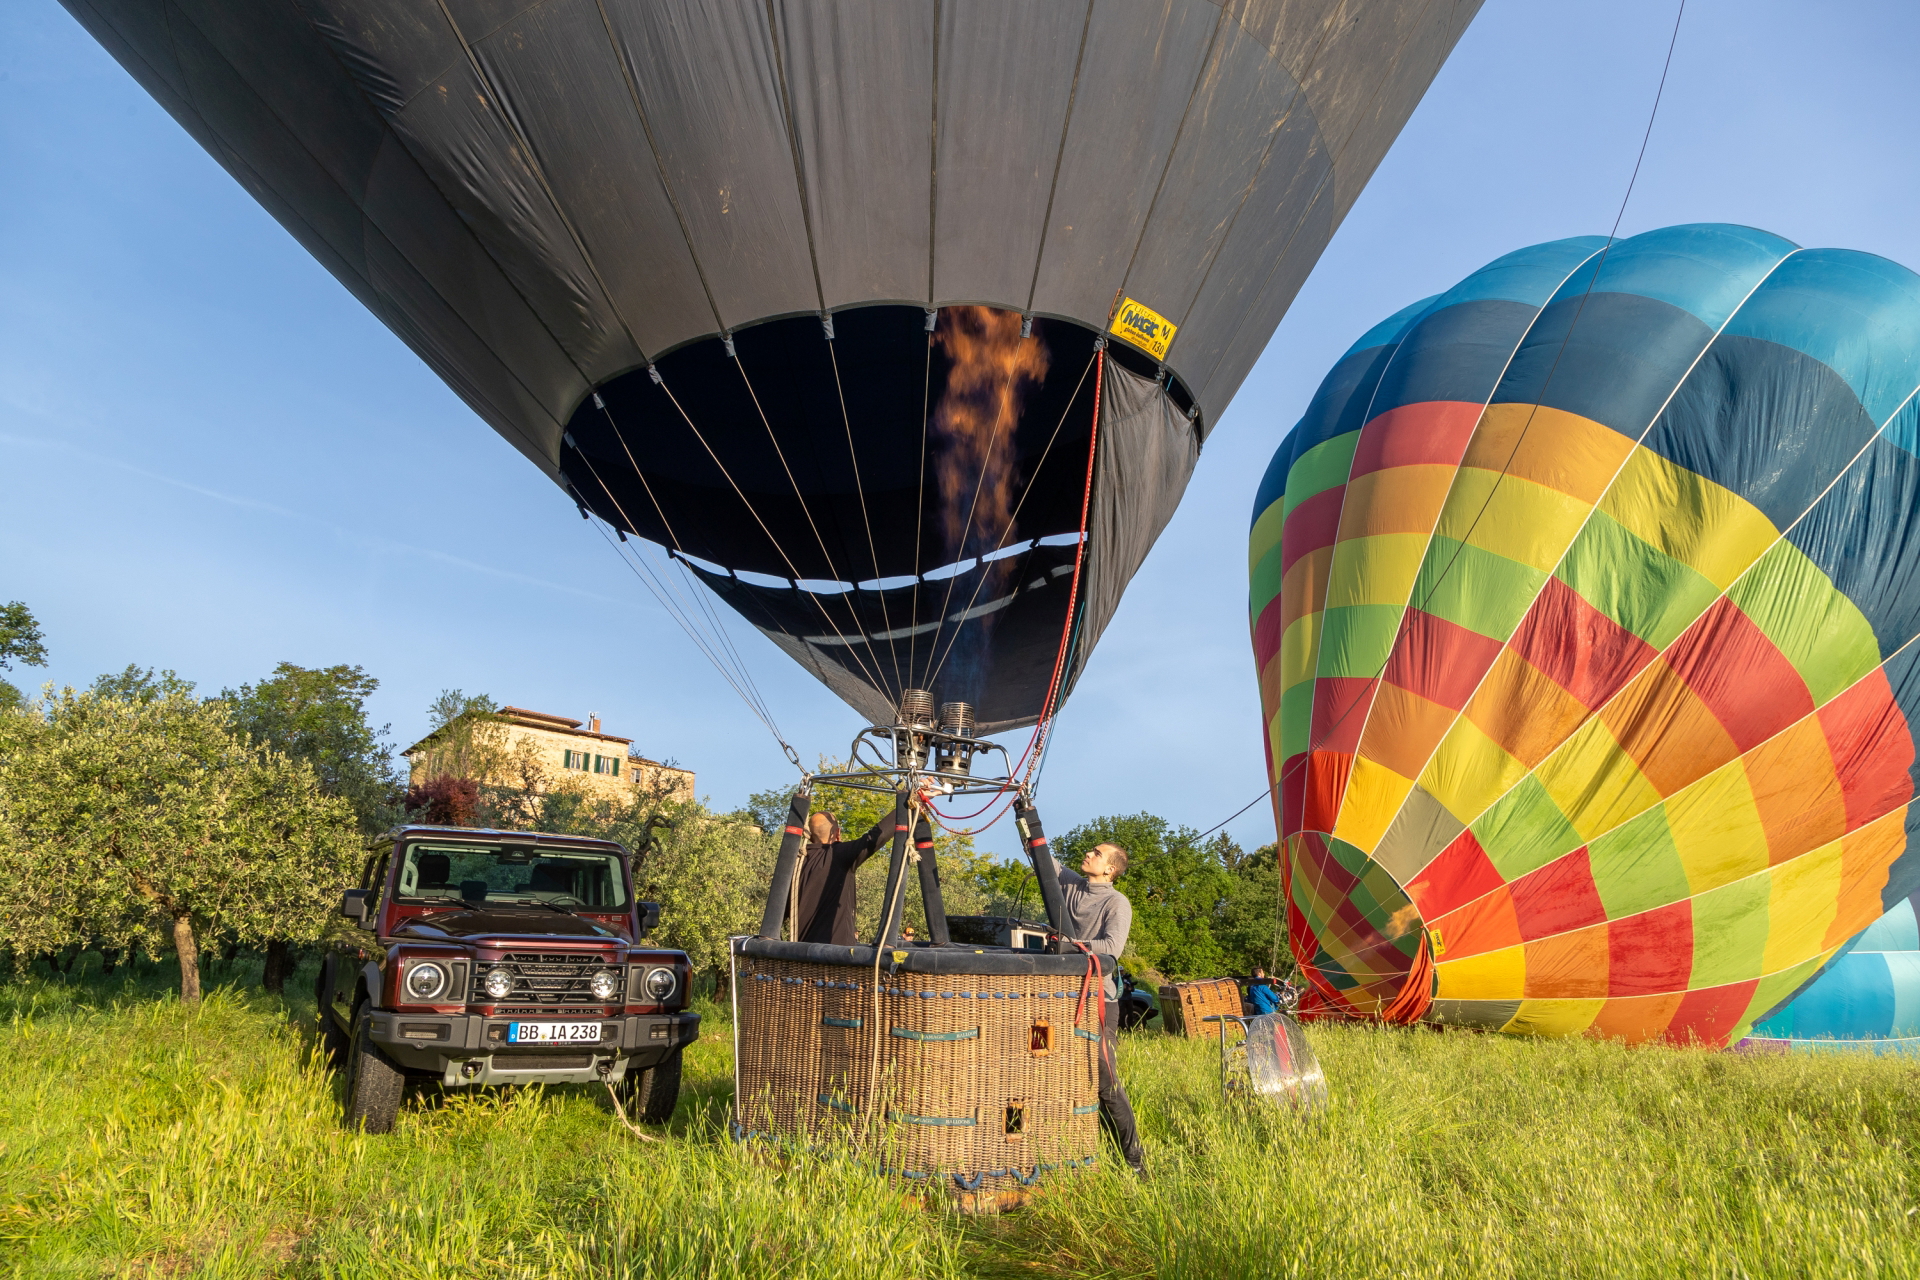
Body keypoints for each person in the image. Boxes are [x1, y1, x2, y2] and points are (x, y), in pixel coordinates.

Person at [1053, 842, 1146, 1175]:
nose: (1088, 854)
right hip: (1063, 996)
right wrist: (1021, 809)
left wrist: (1070, 947)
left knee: (1104, 1080)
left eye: (1096, 853)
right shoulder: (1071, 884)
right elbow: (1037, 853)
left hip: (1099, 1002)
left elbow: (1111, 949)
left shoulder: (1116, 902)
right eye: (1089, 851)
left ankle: (1135, 1162)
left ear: (1110, 869)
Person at [792, 809, 886, 945]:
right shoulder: (839, 855)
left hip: (799, 952)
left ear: (810, 836)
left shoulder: (796, 863)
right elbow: (875, 838)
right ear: (837, 833)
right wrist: (906, 803)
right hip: (837, 953)